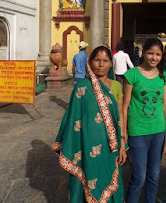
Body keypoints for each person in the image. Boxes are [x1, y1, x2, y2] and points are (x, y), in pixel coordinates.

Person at [52, 46, 127, 203]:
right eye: (97, 60)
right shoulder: (82, 87)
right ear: (90, 63)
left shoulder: (116, 86)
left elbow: (120, 116)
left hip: (109, 146)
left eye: (105, 61)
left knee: (109, 177)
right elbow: (71, 117)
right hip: (85, 145)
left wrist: (122, 142)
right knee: (84, 181)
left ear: (110, 64)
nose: (101, 64)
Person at [123, 38, 166, 203]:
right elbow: (125, 107)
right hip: (137, 132)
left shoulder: (164, 76)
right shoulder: (132, 75)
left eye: (158, 54)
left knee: (154, 174)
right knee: (139, 177)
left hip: (158, 133)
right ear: (143, 52)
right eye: (150, 53)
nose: (154, 57)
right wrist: (123, 136)